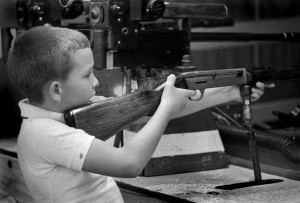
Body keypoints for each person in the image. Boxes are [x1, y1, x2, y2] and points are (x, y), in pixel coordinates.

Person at [7, 26, 273, 203]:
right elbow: (129, 164)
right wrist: (166, 105)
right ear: (56, 90)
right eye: (88, 74)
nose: (96, 82)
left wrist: (231, 94)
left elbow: (159, 108)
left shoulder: (70, 113)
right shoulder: (46, 133)